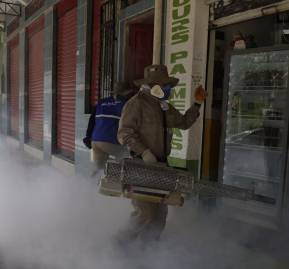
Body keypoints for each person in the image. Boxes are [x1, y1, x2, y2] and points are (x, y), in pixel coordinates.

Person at [117, 64, 207, 243]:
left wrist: (197, 104)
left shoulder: (164, 106)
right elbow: (124, 133)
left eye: (169, 86)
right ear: (152, 86)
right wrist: (144, 152)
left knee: (159, 215)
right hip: (141, 166)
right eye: (164, 86)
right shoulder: (135, 104)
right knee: (144, 213)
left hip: (161, 166)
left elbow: (183, 122)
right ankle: (119, 246)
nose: (168, 89)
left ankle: (148, 253)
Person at [83, 81, 136, 174]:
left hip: (95, 141)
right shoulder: (126, 104)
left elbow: (91, 122)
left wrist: (88, 137)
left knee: (98, 168)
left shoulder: (101, 102)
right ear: (126, 92)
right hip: (110, 141)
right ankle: (117, 184)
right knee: (125, 162)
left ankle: (89, 184)